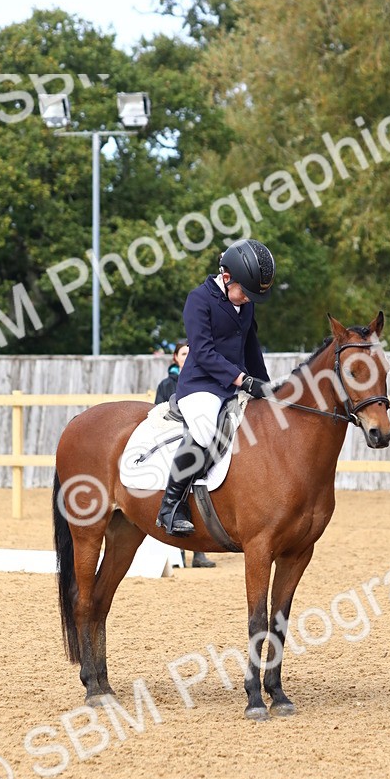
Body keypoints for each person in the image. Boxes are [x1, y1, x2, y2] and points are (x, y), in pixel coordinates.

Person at [156, 238, 275, 537]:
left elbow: (252, 348)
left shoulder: (245, 305)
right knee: (205, 429)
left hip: (235, 384)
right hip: (201, 385)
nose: (247, 299)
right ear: (226, 277)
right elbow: (204, 351)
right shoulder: (199, 300)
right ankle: (170, 505)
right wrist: (242, 380)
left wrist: (267, 387)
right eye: (244, 292)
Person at [154, 341, 215, 568]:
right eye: (183, 353)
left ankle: (199, 552)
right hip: (175, 436)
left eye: (191, 353)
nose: (187, 356)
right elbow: (160, 409)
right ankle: (177, 549)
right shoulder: (167, 384)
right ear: (175, 358)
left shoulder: (202, 380)